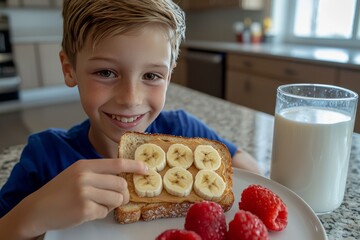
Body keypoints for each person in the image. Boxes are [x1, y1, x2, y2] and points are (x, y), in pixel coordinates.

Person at [0, 0, 261, 238]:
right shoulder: (45, 156)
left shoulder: (182, 129)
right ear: (70, 70)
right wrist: (32, 214)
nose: (130, 99)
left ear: (169, 77)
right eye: (105, 72)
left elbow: (246, 167)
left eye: (151, 76)